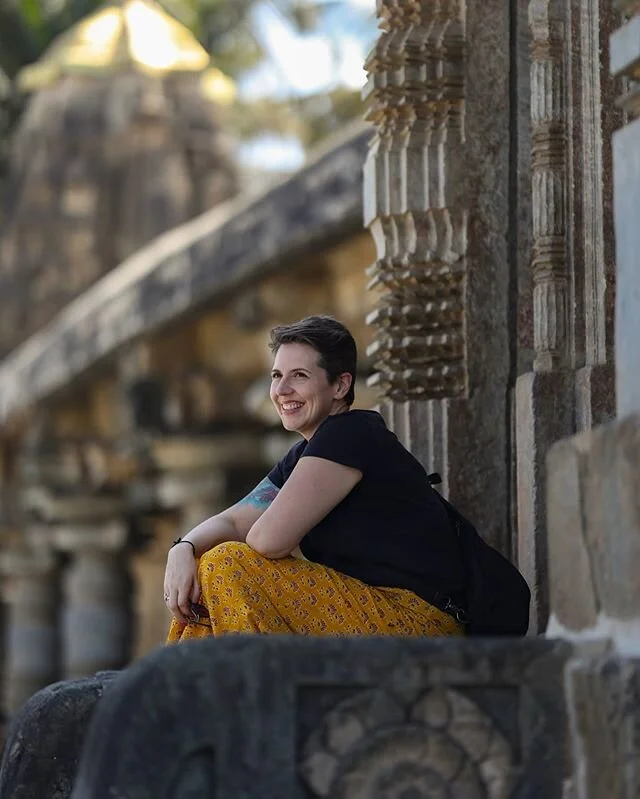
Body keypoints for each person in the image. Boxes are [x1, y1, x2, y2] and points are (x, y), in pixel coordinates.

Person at [164, 315, 466, 642]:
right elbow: (235, 521)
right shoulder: (306, 453)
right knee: (208, 560)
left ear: (340, 385)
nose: (281, 390)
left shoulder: (351, 435)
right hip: (372, 613)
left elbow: (266, 540)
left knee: (226, 564)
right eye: (276, 375)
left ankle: (210, 687)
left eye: (300, 376)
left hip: (417, 619)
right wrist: (182, 549)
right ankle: (195, 686)